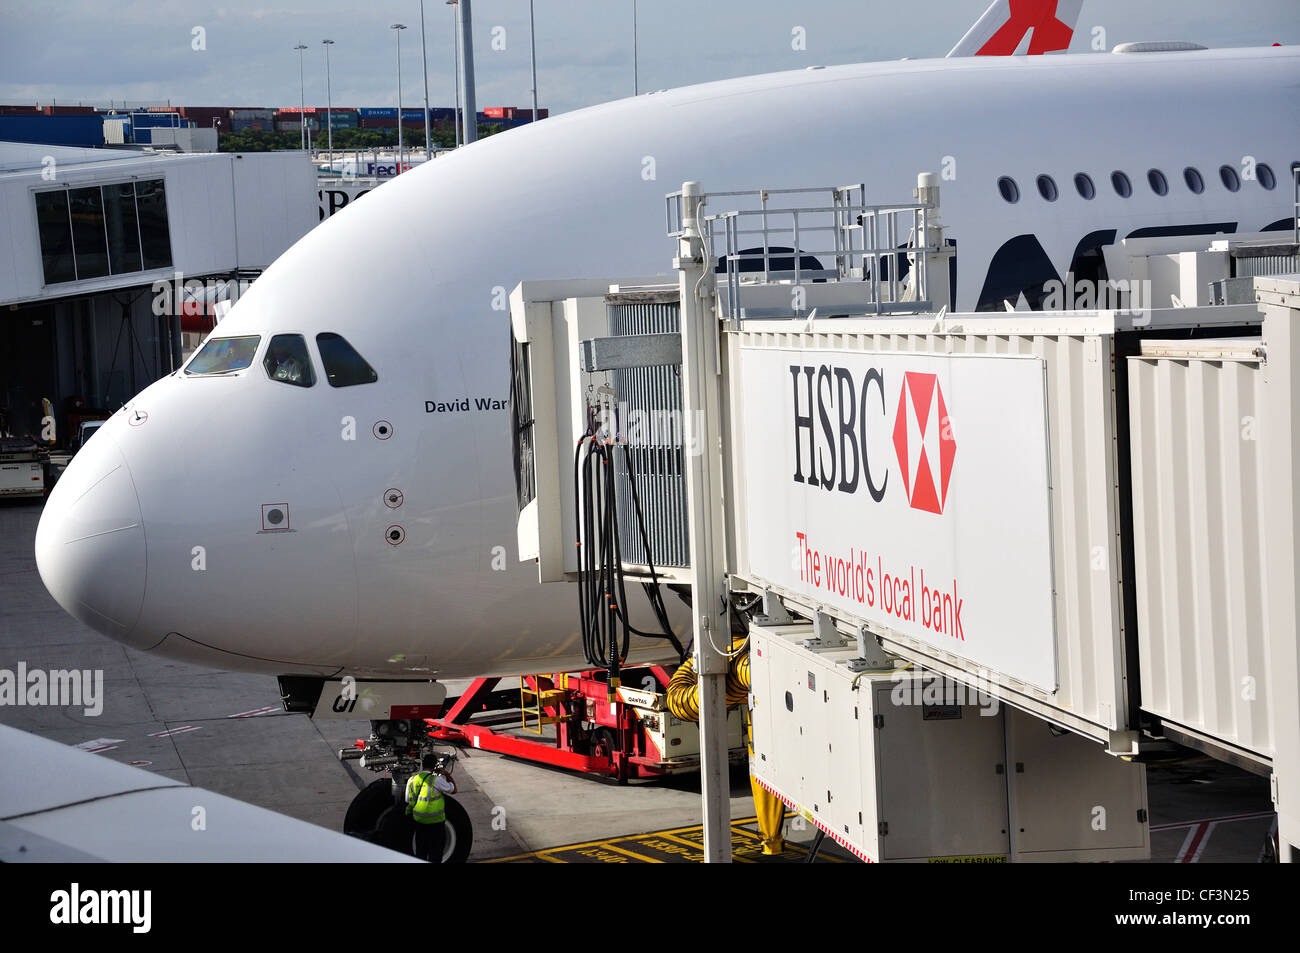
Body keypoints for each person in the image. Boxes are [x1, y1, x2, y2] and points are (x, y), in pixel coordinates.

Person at [404, 753, 457, 862]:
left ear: (422, 764)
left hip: (419, 822)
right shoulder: (436, 780)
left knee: (420, 852)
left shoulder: (412, 780)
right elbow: (453, 789)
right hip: (436, 824)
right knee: (435, 853)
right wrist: (447, 774)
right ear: (434, 766)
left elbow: (407, 800)